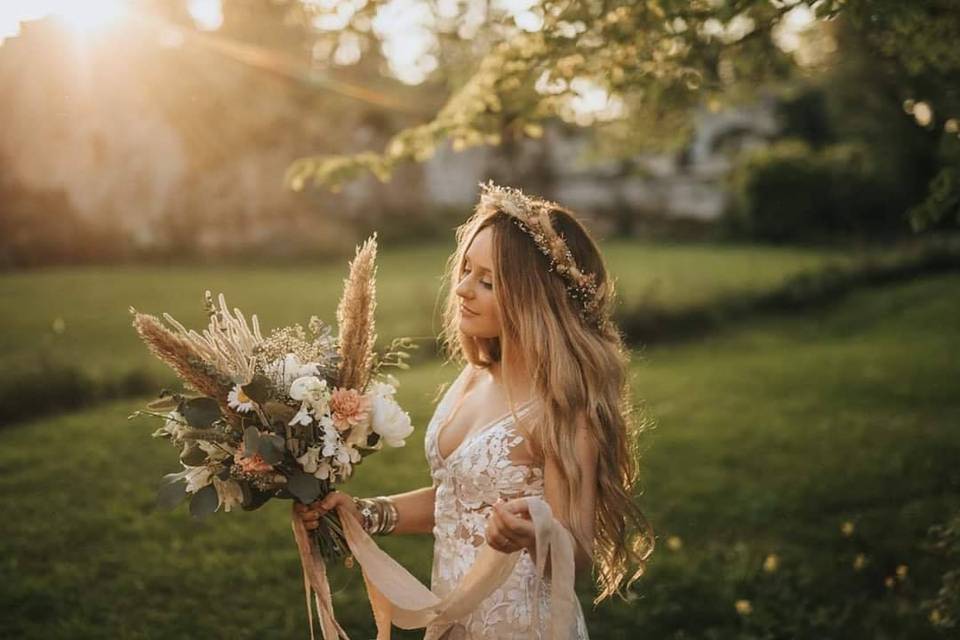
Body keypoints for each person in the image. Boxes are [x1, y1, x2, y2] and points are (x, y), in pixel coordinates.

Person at [294, 181, 655, 639]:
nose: (462, 288)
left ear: (532, 297)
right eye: (465, 269)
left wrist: (534, 534)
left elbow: (579, 552)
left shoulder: (563, 409)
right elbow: (457, 500)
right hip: (453, 620)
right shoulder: (475, 376)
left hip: (520, 625)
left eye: (487, 280)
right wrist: (364, 515)